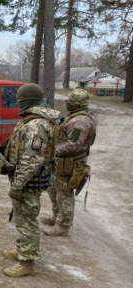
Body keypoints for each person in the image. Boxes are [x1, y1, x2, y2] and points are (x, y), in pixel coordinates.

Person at [0, 83, 60, 277]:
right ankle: (23, 249)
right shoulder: (32, 120)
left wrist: (18, 185)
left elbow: (33, 159)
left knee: (27, 219)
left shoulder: (37, 125)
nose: (18, 104)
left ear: (26, 101)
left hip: (28, 181)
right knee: (21, 218)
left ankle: (27, 262)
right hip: (25, 179)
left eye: (19, 100)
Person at [42, 89, 96, 236]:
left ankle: (63, 226)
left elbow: (73, 145)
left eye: (69, 98)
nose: (66, 100)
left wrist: (51, 152)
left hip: (69, 164)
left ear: (77, 102)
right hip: (60, 162)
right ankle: (56, 216)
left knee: (64, 194)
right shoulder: (75, 117)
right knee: (53, 189)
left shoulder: (80, 121)